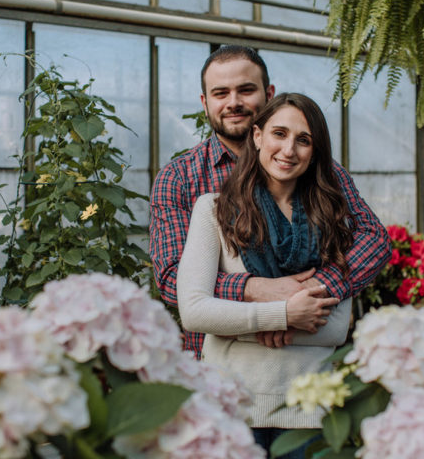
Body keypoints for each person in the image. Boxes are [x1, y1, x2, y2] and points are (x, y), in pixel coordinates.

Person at [149, 45, 391, 359]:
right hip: (216, 365)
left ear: (269, 92)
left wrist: (314, 289)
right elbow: (171, 276)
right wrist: (260, 291)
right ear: (204, 102)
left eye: (246, 90)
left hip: (306, 364)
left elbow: (374, 239)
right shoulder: (181, 178)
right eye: (220, 93)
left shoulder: (319, 175)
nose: (233, 102)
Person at [177, 93, 354, 454]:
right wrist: (285, 315)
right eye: (279, 134)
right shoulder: (213, 210)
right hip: (232, 406)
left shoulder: (334, 217)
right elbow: (194, 311)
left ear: (315, 151)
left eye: (303, 140)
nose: (288, 150)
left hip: (310, 412)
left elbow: (336, 327)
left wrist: (237, 325)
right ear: (257, 137)